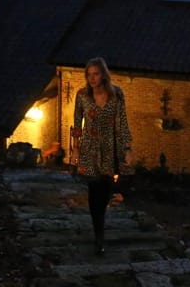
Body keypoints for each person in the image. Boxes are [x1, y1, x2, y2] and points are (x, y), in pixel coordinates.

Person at [70, 56, 134, 255]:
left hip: (109, 149)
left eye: (96, 73)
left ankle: (100, 224)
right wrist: (75, 149)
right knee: (93, 191)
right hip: (89, 148)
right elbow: (77, 125)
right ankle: (99, 236)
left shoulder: (117, 94)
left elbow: (122, 122)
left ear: (103, 74)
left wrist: (127, 148)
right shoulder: (82, 96)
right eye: (89, 74)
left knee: (105, 192)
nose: (92, 78)